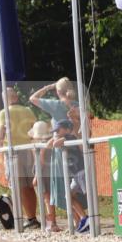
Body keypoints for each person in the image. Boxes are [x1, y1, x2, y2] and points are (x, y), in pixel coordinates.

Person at [30, 78, 81, 220]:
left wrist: (47, 87)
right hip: (76, 147)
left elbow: (32, 98)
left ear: (58, 91)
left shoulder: (56, 105)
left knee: (64, 184)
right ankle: (79, 220)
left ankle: (79, 221)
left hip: (60, 149)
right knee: (73, 184)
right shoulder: (77, 104)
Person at [0, 87, 39, 230]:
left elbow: (0, 136)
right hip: (28, 151)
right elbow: (35, 129)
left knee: (16, 187)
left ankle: (16, 218)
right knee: (29, 187)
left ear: (4, 100)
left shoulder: (3, 113)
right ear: (16, 97)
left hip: (12, 152)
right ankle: (32, 218)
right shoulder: (27, 110)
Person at [50, 119, 89, 233]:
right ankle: (84, 218)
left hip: (80, 171)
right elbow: (50, 145)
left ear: (67, 129)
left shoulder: (70, 137)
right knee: (68, 196)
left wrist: (55, 138)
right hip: (76, 174)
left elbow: (55, 144)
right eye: (55, 130)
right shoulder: (64, 137)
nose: (56, 132)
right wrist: (55, 136)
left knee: (89, 196)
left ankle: (90, 220)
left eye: (58, 130)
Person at [27, 120, 60, 232]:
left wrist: (36, 176)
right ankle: (51, 222)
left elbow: (39, 161)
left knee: (47, 199)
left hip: (42, 172)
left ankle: (51, 223)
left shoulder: (41, 146)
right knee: (48, 198)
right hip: (49, 171)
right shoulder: (48, 143)